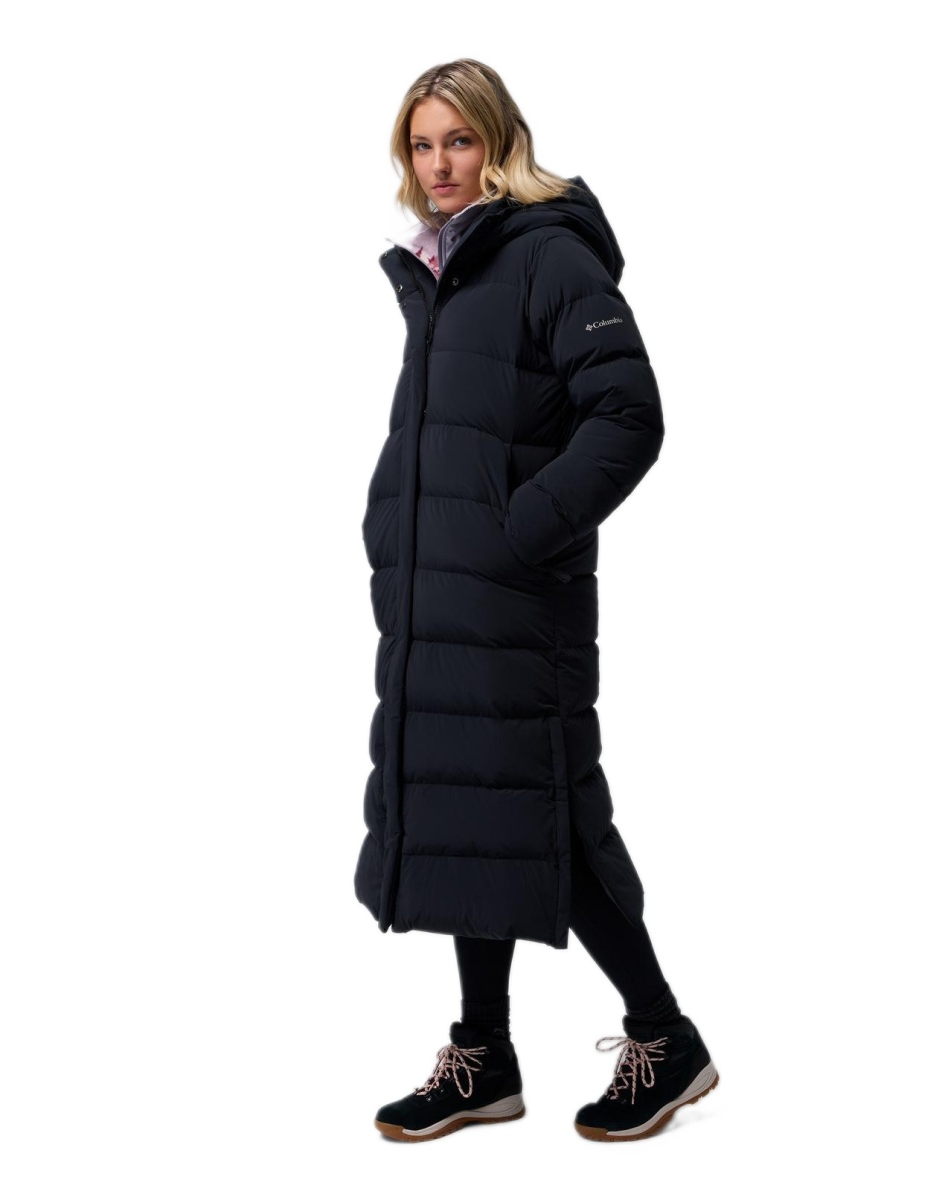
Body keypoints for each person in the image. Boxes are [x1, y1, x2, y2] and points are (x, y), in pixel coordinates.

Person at [355, 58, 718, 1142]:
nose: (439, 164)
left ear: (500, 142)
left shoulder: (545, 254)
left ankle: (666, 1036)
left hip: (515, 600)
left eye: (458, 140)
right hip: (440, 597)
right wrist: (395, 525)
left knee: (550, 813)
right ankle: (485, 1056)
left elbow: (629, 414)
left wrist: (521, 531)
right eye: (422, 145)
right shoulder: (448, 266)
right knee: (472, 813)